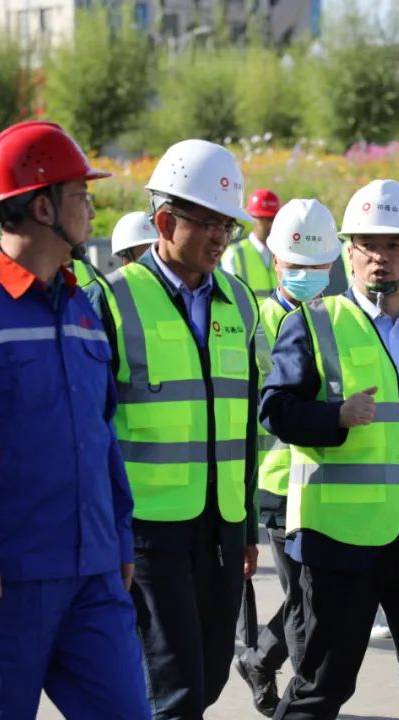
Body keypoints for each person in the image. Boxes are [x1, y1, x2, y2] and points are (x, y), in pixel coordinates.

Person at [0, 120, 149, 719]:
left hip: (94, 576)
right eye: (80, 195)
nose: (91, 208)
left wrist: (119, 539)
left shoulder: (80, 306)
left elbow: (102, 435)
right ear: (43, 207)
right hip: (4, 582)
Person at [262, 178, 399, 719]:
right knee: (322, 689)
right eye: (368, 245)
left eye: (395, 244)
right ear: (348, 252)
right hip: (341, 542)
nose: (381, 257)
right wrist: (334, 417)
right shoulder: (313, 323)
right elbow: (275, 410)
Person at [105, 139, 259, 720]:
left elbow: (242, 423)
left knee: (211, 673)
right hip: (147, 531)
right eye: (208, 223)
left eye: (228, 226)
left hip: (220, 526)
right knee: (175, 687)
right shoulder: (112, 300)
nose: (220, 238)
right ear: (166, 222)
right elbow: (90, 432)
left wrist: (244, 522)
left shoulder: (241, 303)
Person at [233, 198, 341, 716]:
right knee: (306, 604)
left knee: (313, 596)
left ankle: (259, 659)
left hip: (328, 480)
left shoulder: (337, 319)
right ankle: (304, 705)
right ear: (275, 261)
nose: (306, 274)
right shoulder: (257, 321)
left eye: (316, 266)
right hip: (277, 482)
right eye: (296, 264)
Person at [222, 188, 281, 299]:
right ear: (252, 218)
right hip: (249, 311)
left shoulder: (282, 252)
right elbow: (230, 296)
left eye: (273, 219)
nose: (270, 224)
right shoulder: (235, 253)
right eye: (265, 219)